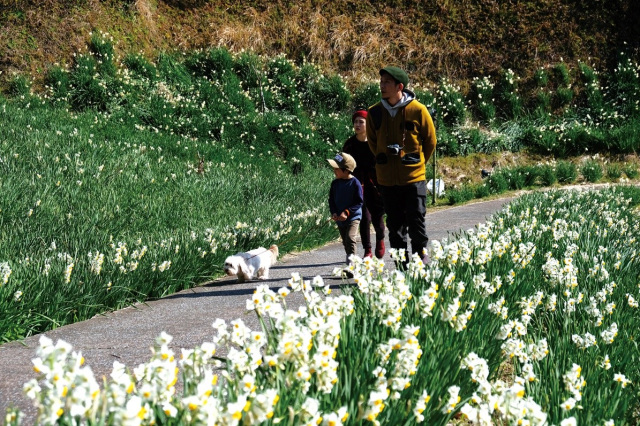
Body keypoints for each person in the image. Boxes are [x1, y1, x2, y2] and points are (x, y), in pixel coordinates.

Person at [366, 66, 437, 266]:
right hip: (387, 181)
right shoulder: (375, 112)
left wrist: (417, 164)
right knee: (395, 227)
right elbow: (373, 143)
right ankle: (401, 267)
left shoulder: (418, 110)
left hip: (414, 179)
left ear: (400, 86)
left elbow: (430, 142)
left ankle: (420, 261)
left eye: (387, 82)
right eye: (381, 82)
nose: (382, 86)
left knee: (416, 223)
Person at [342, 109, 386, 259]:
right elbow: (341, 160)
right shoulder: (349, 144)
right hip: (357, 185)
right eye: (356, 122)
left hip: (375, 185)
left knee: (377, 217)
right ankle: (367, 250)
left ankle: (380, 238)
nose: (358, 125)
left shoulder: (376, 142)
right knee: (364, 217)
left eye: (361, 122)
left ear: (368, 125)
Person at [327, 152, 363, 270]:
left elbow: (359, 202)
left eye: (337, 169)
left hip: (353, 217)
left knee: (350, 237)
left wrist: (347, 212)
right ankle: (351, 261)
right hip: (340, 218)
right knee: (345, 241)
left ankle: (351, 266)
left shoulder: (355, 183)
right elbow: (331, 200)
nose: (334, 171)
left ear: (346, 171)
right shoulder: (335, 183)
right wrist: (334, 213)